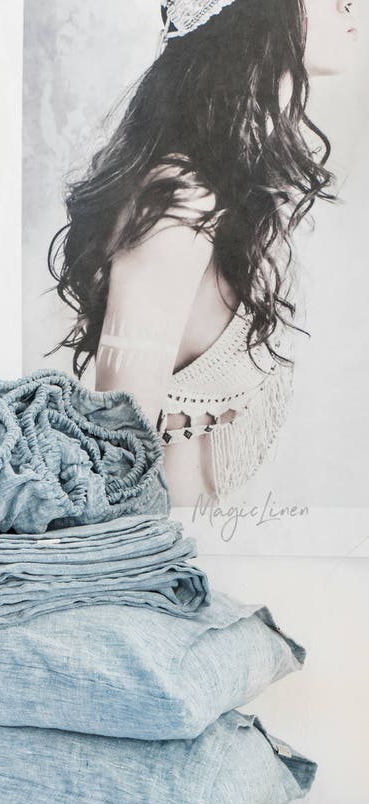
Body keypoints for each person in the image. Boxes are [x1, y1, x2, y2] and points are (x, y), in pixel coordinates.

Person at [48, 0, 361, 505]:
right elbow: (114, 451)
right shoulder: (183, 197)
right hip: (171, 552)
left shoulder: (240, 184)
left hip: (220, 544)